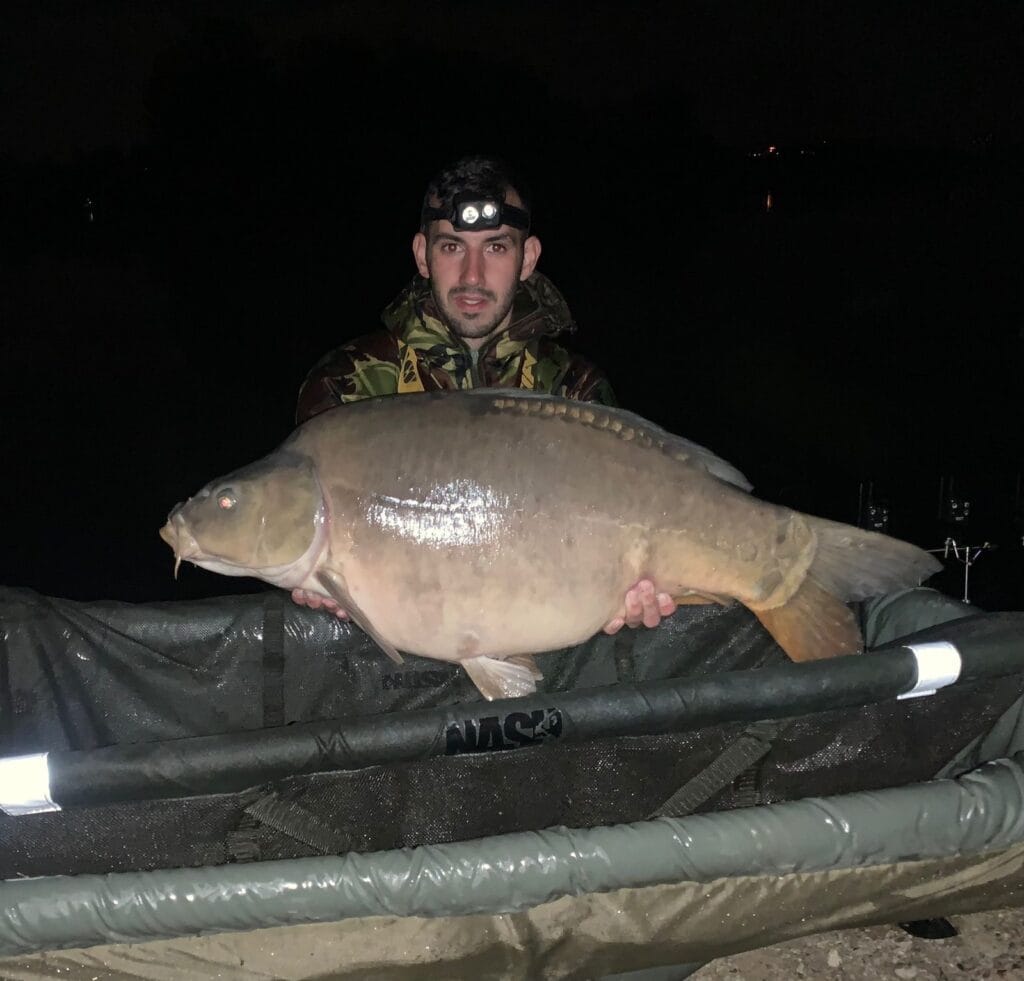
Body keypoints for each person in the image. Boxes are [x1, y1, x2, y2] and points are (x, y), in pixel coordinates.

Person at [291, 154, 676, 635]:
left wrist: (634, 594)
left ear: (528, 258)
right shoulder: (350, 381)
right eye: (452, 246)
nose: (472, 276)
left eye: (496, 248)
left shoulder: (575, 389)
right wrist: (312, 576)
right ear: (421, 254)